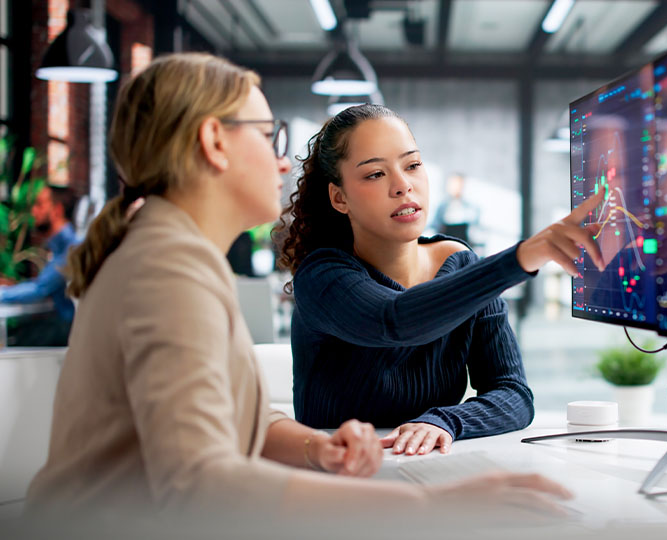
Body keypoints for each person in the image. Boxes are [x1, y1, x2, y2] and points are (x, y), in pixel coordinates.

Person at [25, 53, 573, 523]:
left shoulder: (181, 256)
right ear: (214, 141)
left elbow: (228, 422)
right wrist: (432, 509)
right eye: (268, 136)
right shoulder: (165, 270)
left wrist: (317, 446)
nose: (282, 160)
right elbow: (199, 479)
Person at [277, 104, 606, 457]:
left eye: (413, 165)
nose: (403, 186)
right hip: (334, 487)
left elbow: (513, 394)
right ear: (339, 198)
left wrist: (444, 421)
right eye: (375, 174)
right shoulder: (322, 277)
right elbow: (395, 320)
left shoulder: (462, 265)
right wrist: (521, 257)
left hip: (433, 474)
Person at [0, 184, 81, 346]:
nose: (33, 212)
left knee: (13, 341)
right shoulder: (60, 247)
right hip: (61, 326)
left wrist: (3, 293)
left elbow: (41, 289)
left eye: (40, 205)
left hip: (67, 330)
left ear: (57, 210)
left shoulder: (71, 248)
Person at [430, 172, 479, 245]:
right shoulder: (442, 206)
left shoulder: (470, 208)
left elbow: (474, 230)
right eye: (454, 184)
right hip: (444, 242)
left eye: (460, 184)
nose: (457, 187)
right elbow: (434, 225)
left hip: (463, 243)